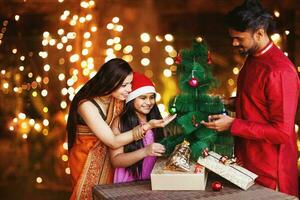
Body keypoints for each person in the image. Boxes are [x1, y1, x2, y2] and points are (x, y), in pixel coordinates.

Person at [201, 0, 299, 197]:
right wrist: (228, 102)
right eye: (232, 37)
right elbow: (258, 104)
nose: (234, 43)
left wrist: (232, 125)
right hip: (248, 163)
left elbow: (282, 132)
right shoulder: (253, 58)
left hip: (270, 172)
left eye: (239, 38)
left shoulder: (279, 72)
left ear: (260, 33)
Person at [67, 58, 176, 200]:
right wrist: (148, 126)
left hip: (109, 158)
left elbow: (140, 104)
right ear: (110, 81)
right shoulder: (86, 106)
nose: (130, 89)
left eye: (130, 84)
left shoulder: (116, 97)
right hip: (87, 158)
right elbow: (112, 142)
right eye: (125, 85)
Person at [110, 72, 166, 183]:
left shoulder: (154, 119)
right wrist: (146, 151)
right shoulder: (120, 122)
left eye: (152, 97)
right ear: (131, 99)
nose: (149, 102)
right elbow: (115, 160)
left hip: (151, 180)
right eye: (143, 98)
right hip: (128, 183)